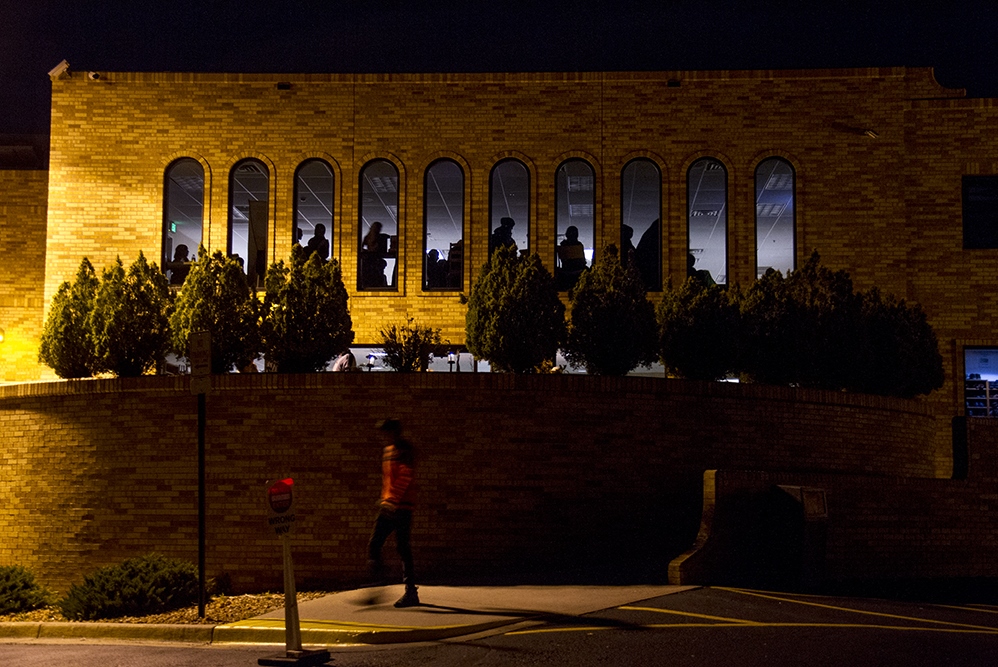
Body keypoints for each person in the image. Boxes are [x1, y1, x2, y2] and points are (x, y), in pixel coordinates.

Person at [366, 418, 420, 608]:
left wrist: (392, 500)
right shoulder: (388, 451)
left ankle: (411, 592)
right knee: (374, 544)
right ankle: (378, 584)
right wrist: (385, 500)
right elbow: (389, 480)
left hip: (402, 507)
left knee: (403, 548)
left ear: (395, 432)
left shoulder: (404, 450)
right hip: (389, 506)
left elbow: (405, 476)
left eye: (386, 433)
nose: (383, 437)